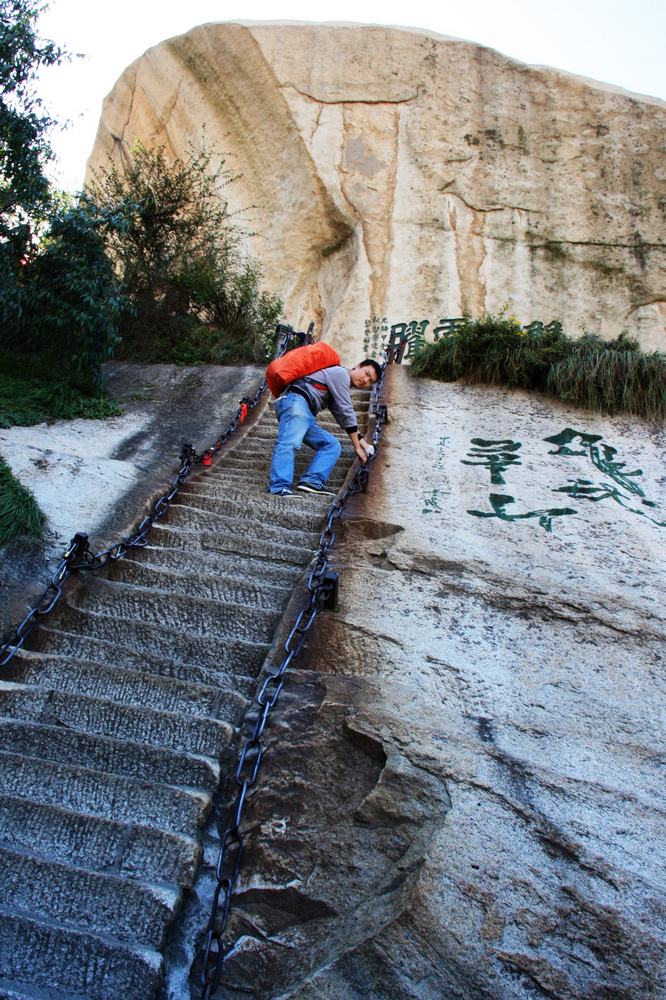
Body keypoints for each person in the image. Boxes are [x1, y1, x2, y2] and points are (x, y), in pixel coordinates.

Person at [268, 358, 382, 497]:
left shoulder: (336, 387)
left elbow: (344, 420)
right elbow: (347, 411)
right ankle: (279, 487)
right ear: (357, 366)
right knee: (289, 441)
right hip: (296, 401)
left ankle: (312, 480)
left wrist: (365, 445)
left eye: (371, 381)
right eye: (367, 373)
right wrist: (356, 446)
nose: (366, 380)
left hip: (305, 413)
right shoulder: (341, 374)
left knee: (332, 445)